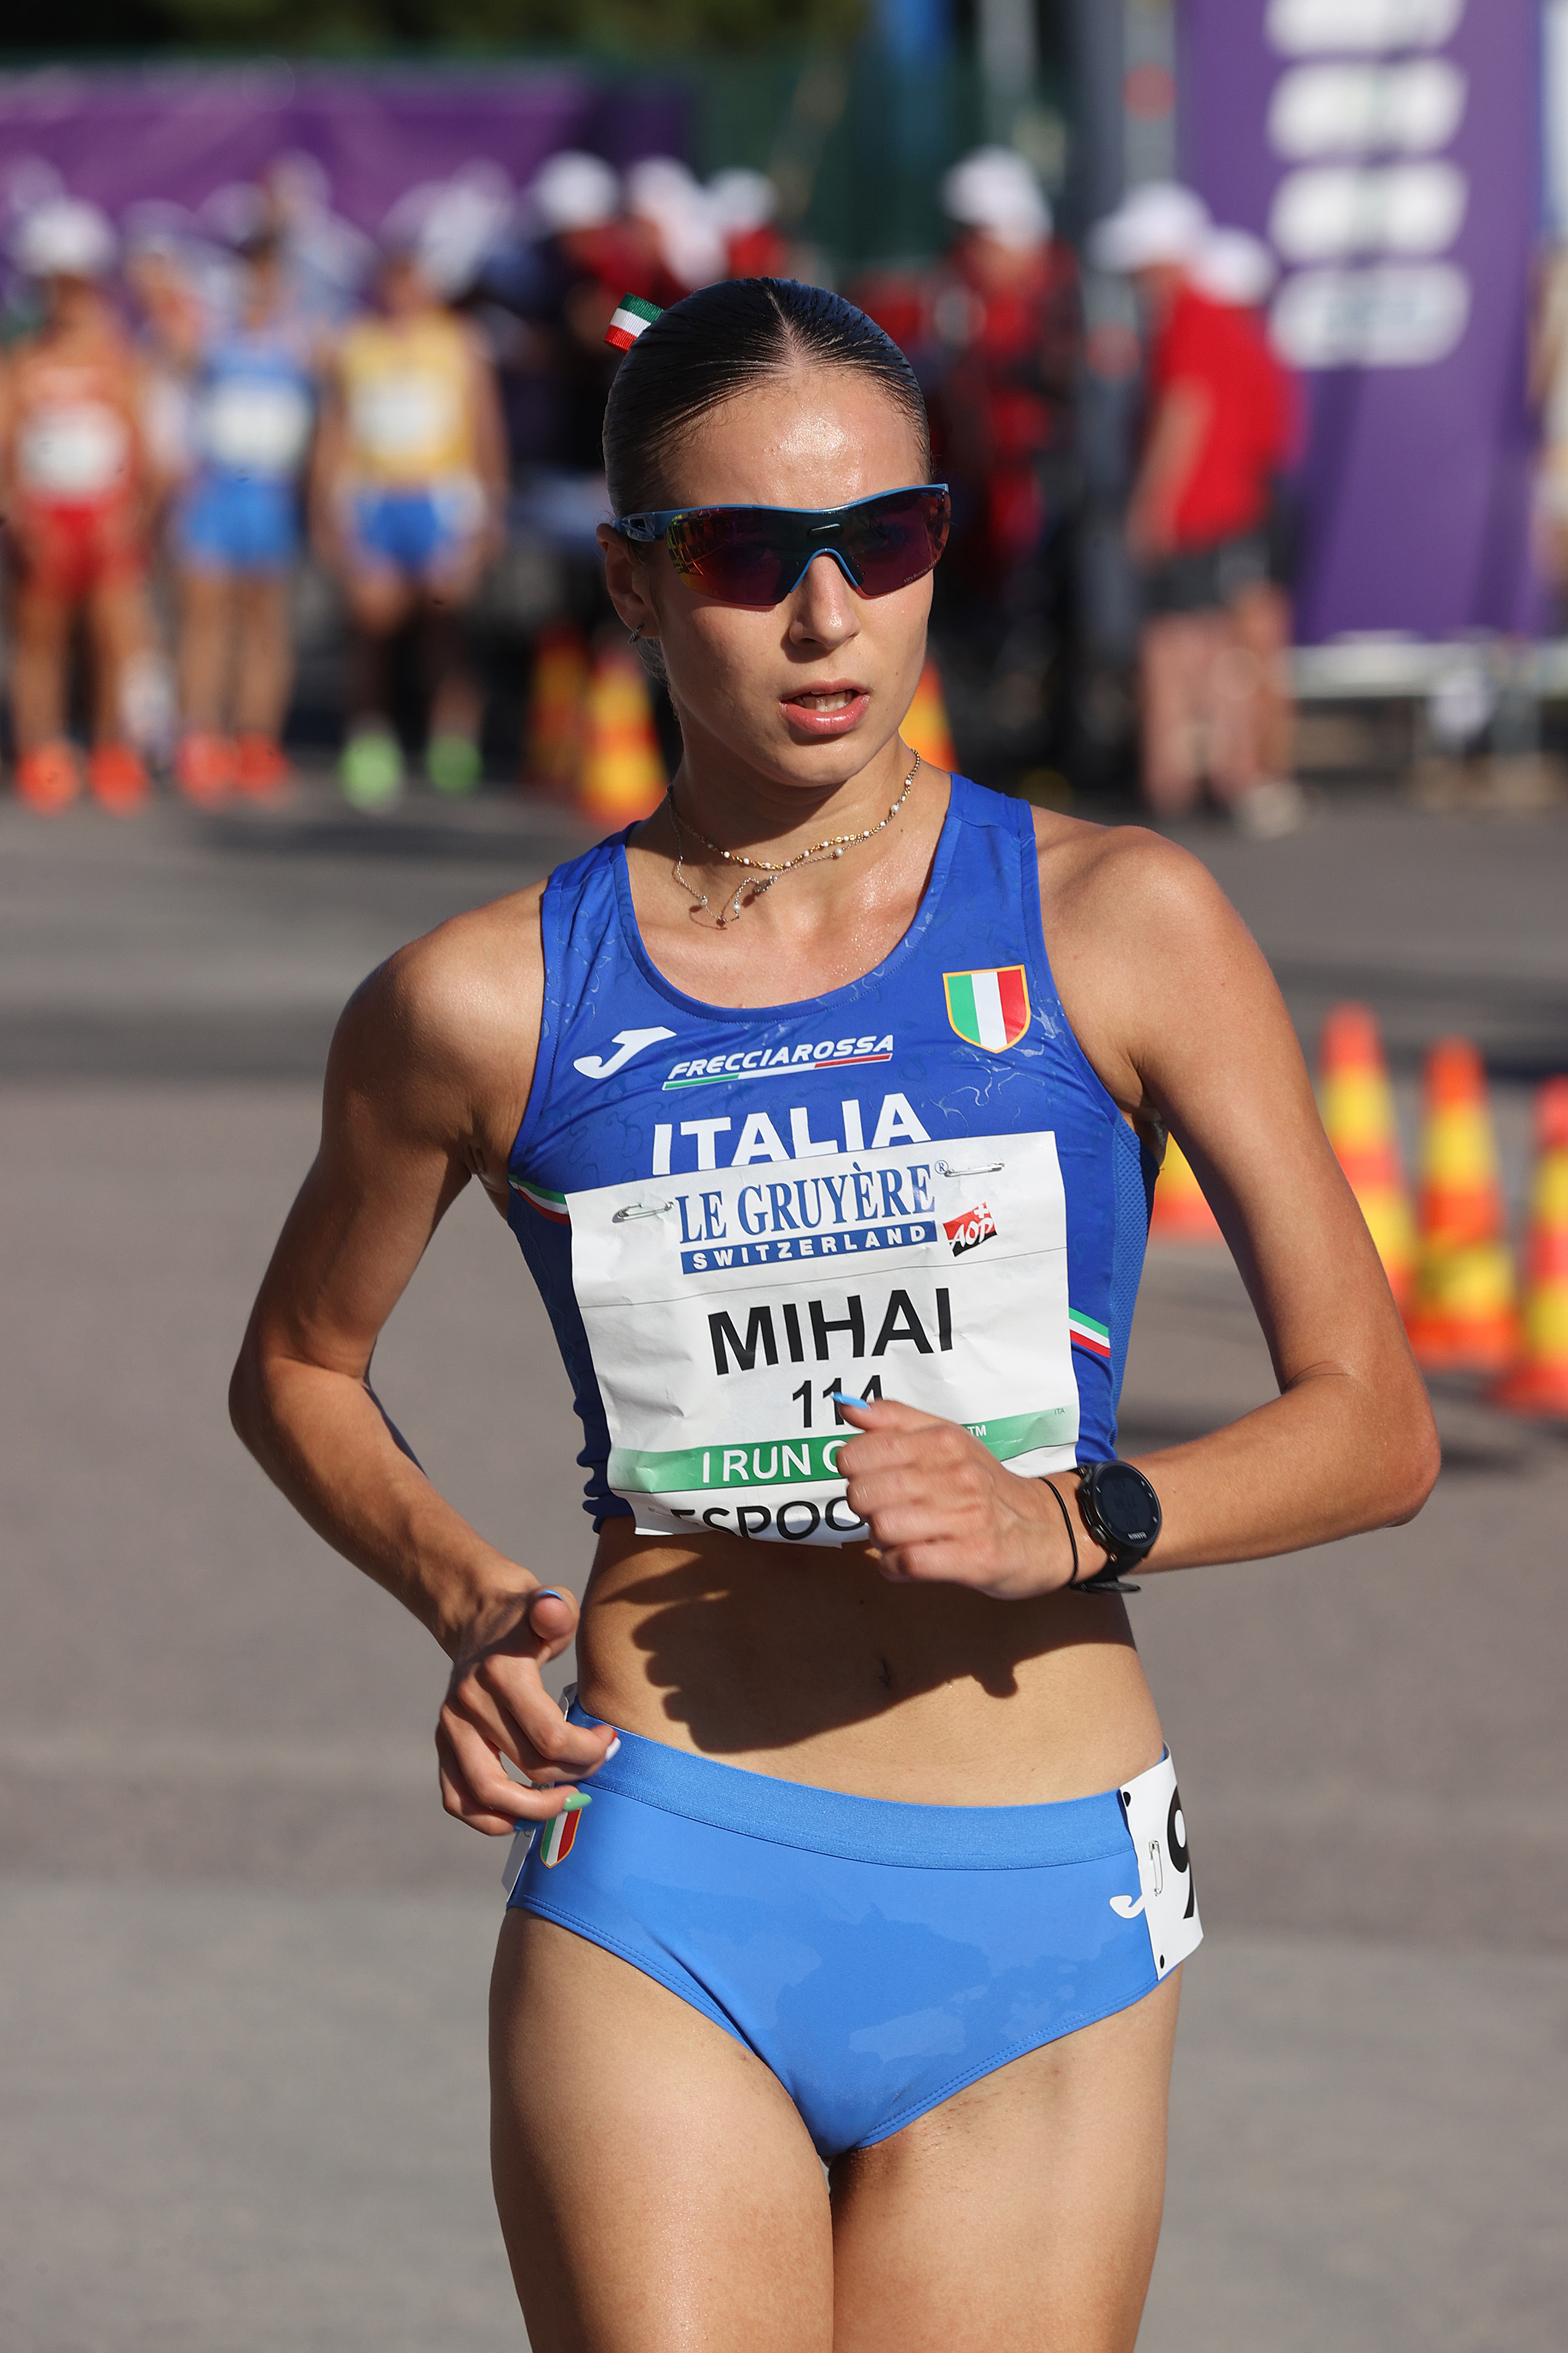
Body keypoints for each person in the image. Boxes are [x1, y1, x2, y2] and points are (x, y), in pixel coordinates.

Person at [230, 279, 1437, 2351]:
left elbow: (1373, 1424)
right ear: (629, 577)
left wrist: (1074, 1518)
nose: (825, 616)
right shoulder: (483, 997)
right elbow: (297, 1366)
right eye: (745, 553)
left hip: (1033, 1888)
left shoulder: (1118, 918)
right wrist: (466, 1597)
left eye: (884, 540)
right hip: (665, 1866)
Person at [1092, 183, 1302, 836]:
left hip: (1202, 514)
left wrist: (1151, 505)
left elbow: (1184, 416)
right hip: (1227, 509)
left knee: (1183, 646)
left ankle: (1187, 779)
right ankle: (1219, 775)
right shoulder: (1219, 326)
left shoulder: (1192, 320)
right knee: (1216, 644)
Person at [311, 234, 507, 807]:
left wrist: (492, 511)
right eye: (391, 283)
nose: (401, 294)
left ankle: (453, 738)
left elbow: (485, 430)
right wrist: (325, 515)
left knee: (444, 619)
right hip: (374, 497)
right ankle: (369, 737)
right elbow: (334, 431)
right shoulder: (356, 343)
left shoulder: (459, 342)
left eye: (410, 282)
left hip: (442, 498)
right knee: (372, 620)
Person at [0, 199, 157, 814]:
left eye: (74, 286)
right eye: (53, 286)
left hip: (105, 519)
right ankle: (41, 749)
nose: (63, 299)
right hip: (46, 520)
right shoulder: (22, 363)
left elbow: (143, 452)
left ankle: (113, 749)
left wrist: (133, 514)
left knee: (113, 637)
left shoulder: (118, 361)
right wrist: (19, 518)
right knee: (40, 638)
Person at [170, 208, 319, 801]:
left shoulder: (304, 345)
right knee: (206, 620)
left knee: (264, 623)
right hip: (215, 496)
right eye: (251, 273)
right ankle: (199, 737)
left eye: (270, 274)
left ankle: (256, 741)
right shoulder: (210, 339)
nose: (260, 286)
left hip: (271, 499)